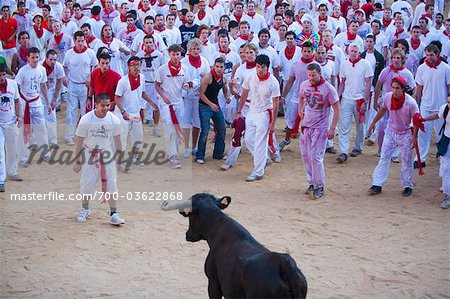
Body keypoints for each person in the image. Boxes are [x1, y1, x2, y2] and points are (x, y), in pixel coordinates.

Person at [73, 93, 126, 226]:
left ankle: (114, 213)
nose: (106, 108)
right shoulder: (86, 119)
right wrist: (77, 160)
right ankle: (85, 209)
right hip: (89, 152)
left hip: (106, 153)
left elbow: (118, 141)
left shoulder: (113, 119)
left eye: (108, 105)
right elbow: (79, 141)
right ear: (96, 105)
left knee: (112, 184)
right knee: (87, 183)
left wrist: (120, 159)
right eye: (102, 105)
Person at [367, 77, 419, 197]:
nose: (394, 91)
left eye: (397, 88)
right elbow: (383, 109)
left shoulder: (410, 102)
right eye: (393, 88)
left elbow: (416, 121)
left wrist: (414, 137)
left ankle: (407, 185)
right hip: (391, 131)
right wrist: (373, 122)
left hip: (406, 133)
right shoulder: (388, 97)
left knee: (407, 160)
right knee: (384, 157)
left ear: (403, 89)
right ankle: (377, 184)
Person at [298, 63, 340, 199]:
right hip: (306, 126)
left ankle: (319, 186)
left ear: (320, 74)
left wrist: (332, 128)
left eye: (313, 75)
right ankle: (311, 182)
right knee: (305, 155)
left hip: (320, 127)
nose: (311, 78)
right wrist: (300, 110)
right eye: (309, 75)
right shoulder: (304, 85)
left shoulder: (328, 88)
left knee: (316, 157)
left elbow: (337, 109)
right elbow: (301, 97)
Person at [236, 54, 280, 181]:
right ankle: (264, 159)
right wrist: (239, 111)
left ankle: (258, 172)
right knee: (248, 139)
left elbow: (276, 104)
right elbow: (244, 93)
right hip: (252, 111)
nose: (260, 69)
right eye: (258, 66)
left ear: (268, 68)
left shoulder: (273, 82)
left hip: (265, 113)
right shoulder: (251, 76)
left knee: (260, 142)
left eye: (263, 67)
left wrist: (273, 124)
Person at [114, 56, 158, 167]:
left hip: (135, 113)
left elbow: (142, 93)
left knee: (138, 136)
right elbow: (117, 97)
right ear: (129, 67)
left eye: (138, 64)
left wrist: (152, 103)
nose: (136, 67)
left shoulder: (142, 78)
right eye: (133, 65)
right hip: (123, 114)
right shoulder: (123, 81)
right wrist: (123, 111)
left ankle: (134, 157)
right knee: (122, 137)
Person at [414, 44, 450, 168]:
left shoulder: (446, 68)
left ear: (437, 54)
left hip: (441, 107)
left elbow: (449, 87)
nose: (429, 57)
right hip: (426, 105)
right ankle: (420, 158)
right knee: (423, 134)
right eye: (427, 55)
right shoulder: (422, 68)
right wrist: (417, 104)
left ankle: (442, 157)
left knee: (441, 134)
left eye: (431, 55)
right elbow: (419, 88)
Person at [15, 47, 51, 167]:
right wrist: (17, 104)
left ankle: (45, 153)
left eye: (37, 57)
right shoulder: (23, 71)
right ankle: (23, 157)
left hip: (37, 102)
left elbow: (43, 86)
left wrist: (48, 102)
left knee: (42, 128)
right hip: (25, 103)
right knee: (24, 131)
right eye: (33, 57)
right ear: (28, 58)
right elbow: (16, 87)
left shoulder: (42, 69)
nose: (35, 60)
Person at [155, 44, 190, 169]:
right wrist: (163, 97)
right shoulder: (163, 69)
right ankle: (172, 156)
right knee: (169, 128)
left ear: (181, 55)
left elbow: (185, 83)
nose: (175, 57)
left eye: (177, 54)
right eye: (173, 54)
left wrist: (187, 86)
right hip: (166, 103)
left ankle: (173, 152)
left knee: (177, 129)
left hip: (179, 102)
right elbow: (157, 85)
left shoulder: (184, 68)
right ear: (169, 54)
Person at [337, 43, 373, 163]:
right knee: (344, 125)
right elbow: (342, 82)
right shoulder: (344, 64)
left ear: (359, 52)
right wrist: (338, 97)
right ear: (348, 51)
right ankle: (343, 151)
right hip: (347, 98)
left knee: (360, 125)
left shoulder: (365, 64)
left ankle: (358, 147)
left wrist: (364, 100)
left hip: (359, 99)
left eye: (355, 51)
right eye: (351, 51)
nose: (353, 53)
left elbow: (368, 84)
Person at [63, 31, 98, 146]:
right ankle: (69, 136)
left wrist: (90, 77)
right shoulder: (69, 53)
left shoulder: (90, 53)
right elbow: (65, 66)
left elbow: (95, 66)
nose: (81, 43)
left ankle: (86, 136)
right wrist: (65, 77)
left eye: (82, 40)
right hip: (72, 84)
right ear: (74, 41)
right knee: (71, 110)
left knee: (86, 111)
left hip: (85, 85)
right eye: (78, 41)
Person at [196, 57, 230, 164]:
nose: (219, 69)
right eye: (217, 66)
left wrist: (227, 97)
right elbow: (201, 94)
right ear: (213, 66)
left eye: (221, 67)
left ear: (224, 67)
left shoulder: (223, 78)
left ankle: (218, 153)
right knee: (205, 131)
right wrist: (211, 105)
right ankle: (200, 155)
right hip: (205, 106)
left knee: (222, 129)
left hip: (215, 105)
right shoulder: (207, 77)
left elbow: (225, 90)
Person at [180, 38, 210, 158]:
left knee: (197, 122)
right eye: (193, 49)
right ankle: (186, 147)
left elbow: (208, 77)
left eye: (198, 49)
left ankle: (194, 146)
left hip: (199, 97)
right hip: (186, 96)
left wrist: (205, 77)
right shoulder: (183, 62)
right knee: (186, 122)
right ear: (189, 49)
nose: (196, 51)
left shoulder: (204, 61)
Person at [421, 96, 450, 209]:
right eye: (448, 102)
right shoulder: (445, 108)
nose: (449, 105)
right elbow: (438, 115)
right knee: (446, 168)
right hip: (447, 141)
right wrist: (425, 119)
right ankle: (447, 197)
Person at [135, 34, 165, 137]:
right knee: (140, 106)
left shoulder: (159, 55)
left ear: (154, 43)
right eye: (146, 43)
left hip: (155, 84)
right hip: (143, 84)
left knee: (156, 106)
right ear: (143, 44)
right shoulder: (139, 55)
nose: (148, 45)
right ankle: (140, 128)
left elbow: (163, 69)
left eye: (150, 42)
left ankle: (156, 127)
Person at [0, 63, 23, 192]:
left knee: (13, 148)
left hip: (11, 120)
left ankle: (12, 171)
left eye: (3, 75)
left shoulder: (12, 84)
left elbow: (17, 101)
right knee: (0, 152)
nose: (2, 78)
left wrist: (19, 116)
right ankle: (1, 179)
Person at [41, 49, 64, 149]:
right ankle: (39, 141)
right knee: (39, 118)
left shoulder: (58, 67)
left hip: (50, 92)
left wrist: (54, 99)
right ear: (46, 58)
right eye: (51, 59)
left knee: (51, 116)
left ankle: (52, 140)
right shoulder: (40, 66)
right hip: (39, 94)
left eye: (54, 59)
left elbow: (59, 82)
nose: (53, 62)